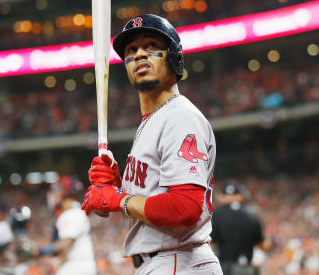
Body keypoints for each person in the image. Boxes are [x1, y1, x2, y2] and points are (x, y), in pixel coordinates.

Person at [81, 14, 222, 274]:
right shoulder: (154, 120)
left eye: (151, 47)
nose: (139, 54)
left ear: (174, 58)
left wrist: (119, 199)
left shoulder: (180, 116)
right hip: (167, 262)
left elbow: (184, 209)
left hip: (180, 261)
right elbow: (152, 202)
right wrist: (117, 185)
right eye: (132, 50)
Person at [211, 180, 268, 275]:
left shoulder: (216, 215)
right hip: (246, 268)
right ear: (240, 196)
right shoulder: (252, 215)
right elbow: (261, 245)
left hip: (224, 267)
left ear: (222, 196)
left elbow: (211, 244)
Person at [47, 175, 97, 275]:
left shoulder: (72, 213)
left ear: (65, 192)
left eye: (56, 190)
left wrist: (40, 251)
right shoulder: (73, 212)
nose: (53, 195)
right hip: (76, 265)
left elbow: (66, 242)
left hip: (77, 266)